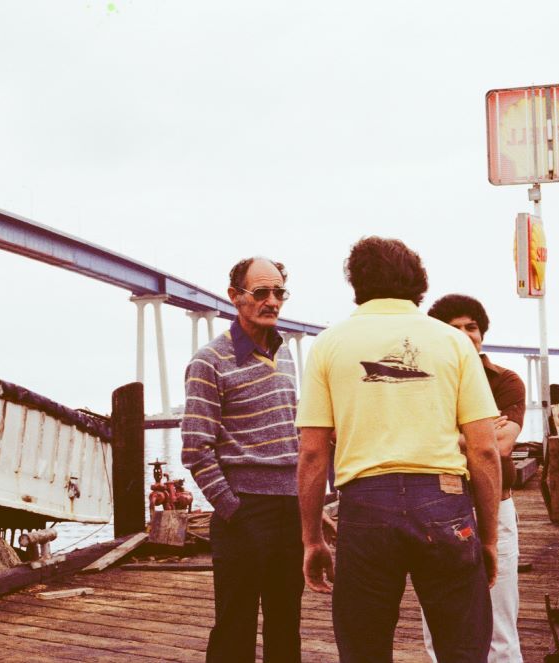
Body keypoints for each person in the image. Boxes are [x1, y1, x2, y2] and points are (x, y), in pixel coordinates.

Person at [296, 236, 502, 663]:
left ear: (356, 283)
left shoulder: (329, 344)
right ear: (418, 283)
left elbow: (313, 455)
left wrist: (312, 539)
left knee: (365, 650)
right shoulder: (453, 342)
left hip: (365, 506)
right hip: (445, 502)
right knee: (463, 649)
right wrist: (489, 537)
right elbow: (484, 451)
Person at [181, 256, 303, 663]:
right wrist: (234, 509)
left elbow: (294, 434)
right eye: (261, 292)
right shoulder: (209, 361)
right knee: (235, 629)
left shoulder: (286, 355)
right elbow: (196, 448)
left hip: (291, 512)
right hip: (246, 512)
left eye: (279, 292)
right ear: (235, 297)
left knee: (287, 625)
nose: (272, 301)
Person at [422, 294, 526, 663]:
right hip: (439, 504)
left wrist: (448, 432)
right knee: (440, 619)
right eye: (454, 329)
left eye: (472, 328)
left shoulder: (506, 381)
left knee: (500, 623)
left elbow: (500, 444)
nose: (466, 335)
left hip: (496, 506)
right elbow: (484, 437)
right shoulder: (423, 383)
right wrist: (479, 431)